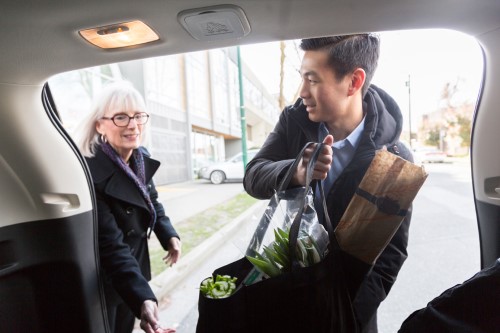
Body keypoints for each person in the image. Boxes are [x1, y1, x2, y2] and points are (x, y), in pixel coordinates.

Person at [243, 34, 413, 333]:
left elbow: (390, 256)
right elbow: (253, 176)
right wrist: (295, 171)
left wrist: (346, 315)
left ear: (353, 81)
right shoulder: (293, 121)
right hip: (288, 296)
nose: (302, 92)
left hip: (350, 314)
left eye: (313, 80)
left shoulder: (394, 160)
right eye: (302, 78)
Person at [76, 80, 181, 333]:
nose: (133, 125)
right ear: (99, 124)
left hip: (135, 266)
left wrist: (168, 235)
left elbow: (151, 199)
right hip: (109, 277)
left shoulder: (140, 158)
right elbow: (110, 245)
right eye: (121, 117)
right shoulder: (90, 173)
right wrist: (143, 297)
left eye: (138, 116)